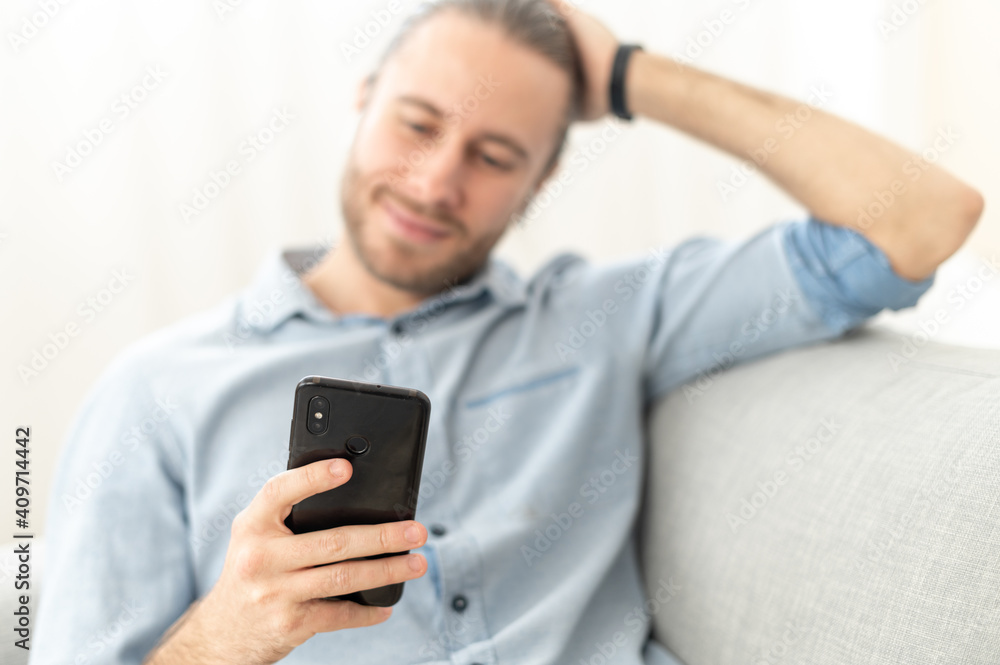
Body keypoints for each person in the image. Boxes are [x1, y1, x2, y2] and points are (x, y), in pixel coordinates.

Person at [32, 1, 984, 663]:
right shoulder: (154, 390)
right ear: (362, 102)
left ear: (541, 182)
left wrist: (630, 76)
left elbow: (919, 221)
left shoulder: (605, 316)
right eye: (417, 124)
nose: (438, 181)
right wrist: (230, 634)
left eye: (496, 156)